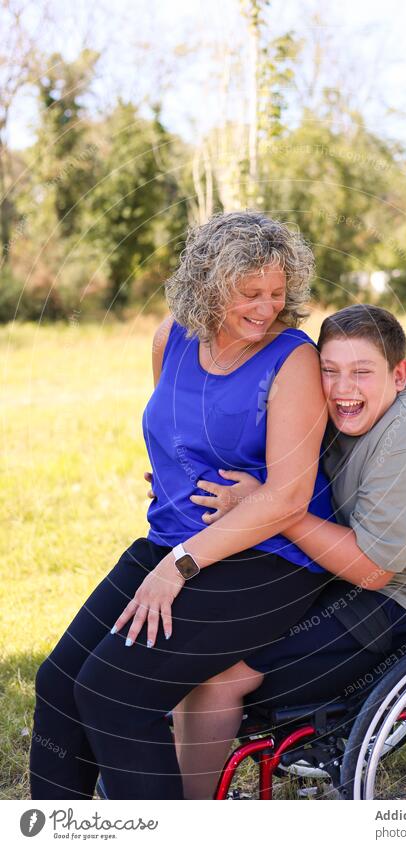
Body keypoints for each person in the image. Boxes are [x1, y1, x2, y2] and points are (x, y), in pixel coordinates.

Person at [29, 211, 335, 800]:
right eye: (249, 293)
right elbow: (172, 422)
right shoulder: (171, 337)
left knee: (113, 694)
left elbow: (289, 497)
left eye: (276, 293)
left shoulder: (293, 360)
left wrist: (180, 566)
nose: (266, 307)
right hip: (168, 539)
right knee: (60, 683)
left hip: (264, 560)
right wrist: (174, 473)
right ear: (208, 285)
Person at [170, 303, 406, 799]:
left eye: (362, 372)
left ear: (399, 374)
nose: (343, 389)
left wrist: (271, 504)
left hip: (395, 608)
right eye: (329, 370)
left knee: (219, 675)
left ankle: (187, 814)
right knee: (197, 642)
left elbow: (373, 569)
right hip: (326, 574)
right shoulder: (347, 413)